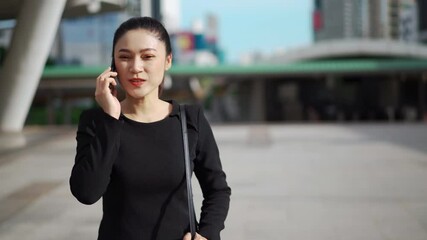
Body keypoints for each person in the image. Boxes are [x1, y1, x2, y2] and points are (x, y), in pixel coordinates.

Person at [69, 17, 231, 240]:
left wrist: (206, 234)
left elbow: (217, 190)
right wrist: (111, 118)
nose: (136, 67)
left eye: (148, 57)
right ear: (113, 65)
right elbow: (86, 192)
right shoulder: (98, 121)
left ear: (168, 60)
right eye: (124, 57)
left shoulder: (190, 120)